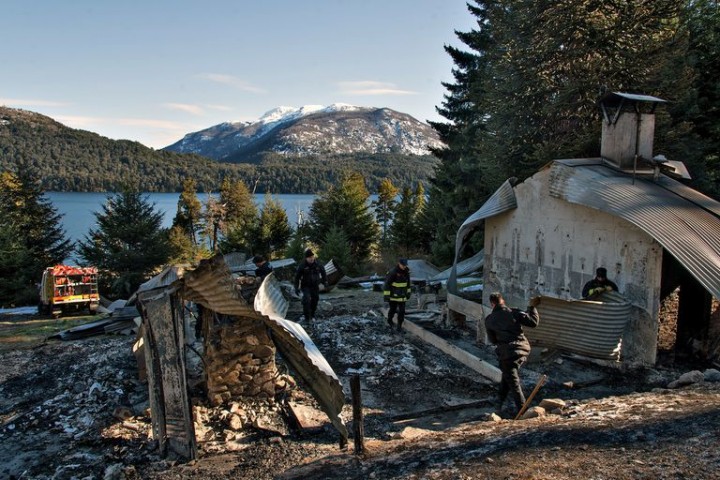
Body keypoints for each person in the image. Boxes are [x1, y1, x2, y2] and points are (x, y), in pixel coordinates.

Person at [484, 292, 540, 417]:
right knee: (507, 377)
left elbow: (493, 340)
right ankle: (498, 404)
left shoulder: (489, 320)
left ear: (492, 304)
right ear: (502, 300)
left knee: (513, 382)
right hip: (523, 349)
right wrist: (532, 308)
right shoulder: (514, 312)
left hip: (507, 354)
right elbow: (533, 322)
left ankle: (523, 412)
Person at [294, 249, 327, 322]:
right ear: (306, 258)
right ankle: (306, 318)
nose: (311, 258)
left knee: (315, 300)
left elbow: (323, 272)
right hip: (306, 286)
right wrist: (296, 288)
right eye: (309, 257)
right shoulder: (302, 266)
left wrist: (325, 282)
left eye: (312, 257)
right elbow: (297, 277)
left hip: (315, 286)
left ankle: (312, 315)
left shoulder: (318, 264)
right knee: (306, 299)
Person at [383, 258, 412, 332]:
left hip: (402, 296)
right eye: (403, 265)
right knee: (392, 309)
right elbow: (387, 285)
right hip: (393, 296)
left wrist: (408, 293)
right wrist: (386, 297)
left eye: (405, 265)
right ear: (399, 263)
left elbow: (408, 284)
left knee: (402, 311)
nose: (404, 267)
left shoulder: (406, 272)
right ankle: (389, 320)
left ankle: (399, 326)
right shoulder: (393, 272)